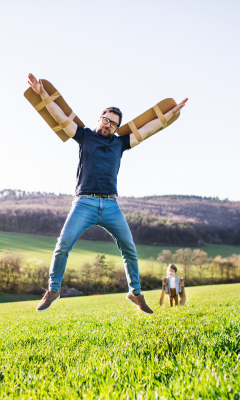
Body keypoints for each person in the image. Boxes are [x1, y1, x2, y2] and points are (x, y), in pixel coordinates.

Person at [28, 73, 188, 314]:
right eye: (105, 120)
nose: (108, 125)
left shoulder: (120, 143)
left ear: (116, 127)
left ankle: (135, 294)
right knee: (63, 244)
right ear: (100, 118)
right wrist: (42, 94)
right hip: (84, 203)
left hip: (111, 206)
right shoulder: (84, 136)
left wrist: (169, 115)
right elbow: (60, 116)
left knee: (129, 249)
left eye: (113, 123)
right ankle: (53, 290)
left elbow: (149, 129)